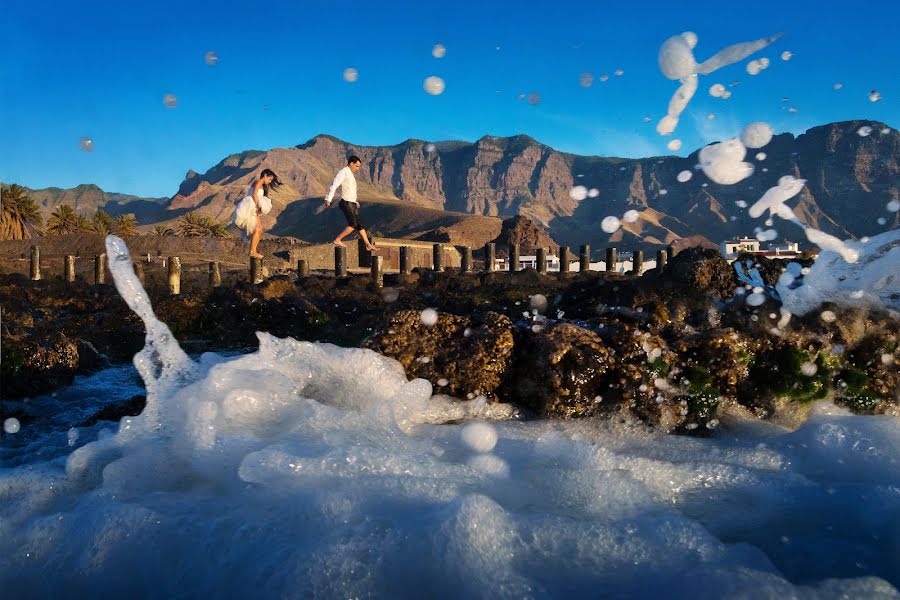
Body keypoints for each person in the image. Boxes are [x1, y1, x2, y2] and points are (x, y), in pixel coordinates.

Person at [324, 156, 377, 251]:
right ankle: (337, 239)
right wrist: (328, 198)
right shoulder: (343, 172)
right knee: (353, 224)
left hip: (351, 202)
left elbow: (350, 190)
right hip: (346, 202)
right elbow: (334, 185)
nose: (357, 169)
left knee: (359, 225)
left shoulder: (350, 175)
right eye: (356, 166)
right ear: (351, 163)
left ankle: (368, 245)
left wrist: (355, 201)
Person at [234, 168, 280, 258]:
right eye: (270, 179)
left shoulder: (261, 184)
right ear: (265, 175)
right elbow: (254, 195)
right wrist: (258, 207)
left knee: (259, 229)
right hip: (251, 207)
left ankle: (253, 250)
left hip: (253, 208)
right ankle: (252, 251)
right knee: (258, 229)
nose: (270, 182)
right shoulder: (258, 182)